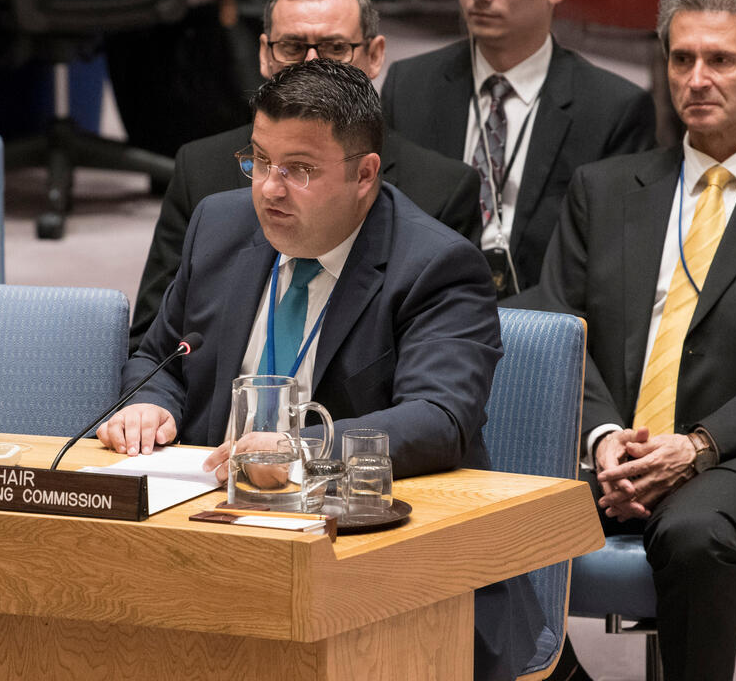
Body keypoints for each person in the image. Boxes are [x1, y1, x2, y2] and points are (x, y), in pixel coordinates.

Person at [103, 59, 542, 681]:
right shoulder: (219, 226)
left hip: (381, 568)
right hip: (214, 542)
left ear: (365, 174)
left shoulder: (436, 266)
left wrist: (297, 449)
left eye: (300, 170)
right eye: (260, 161)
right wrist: (150, 404)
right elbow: (159, 355)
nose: (270, 189)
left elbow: (439, 419)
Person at [515, 0, 736, 681]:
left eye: (721, 60)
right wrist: (605, 438)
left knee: (695, 532)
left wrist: (697, 446)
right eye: (681, 59)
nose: (696, 79)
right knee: (477, 523)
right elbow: (555, 327)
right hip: (611, 448)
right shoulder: (604, 189)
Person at [130, 0, 482, 350]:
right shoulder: (201, 170)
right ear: (264, 54)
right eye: (292, 48)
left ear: (375, 54)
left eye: (335, 49)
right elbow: (151, 344)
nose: (312, 65)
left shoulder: (442, 190)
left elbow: (444, 351)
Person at [380, 0, 655, 296]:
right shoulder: (409, 85)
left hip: (545, 314)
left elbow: (613, 259)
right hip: (421, 308)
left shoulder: (613, 110)